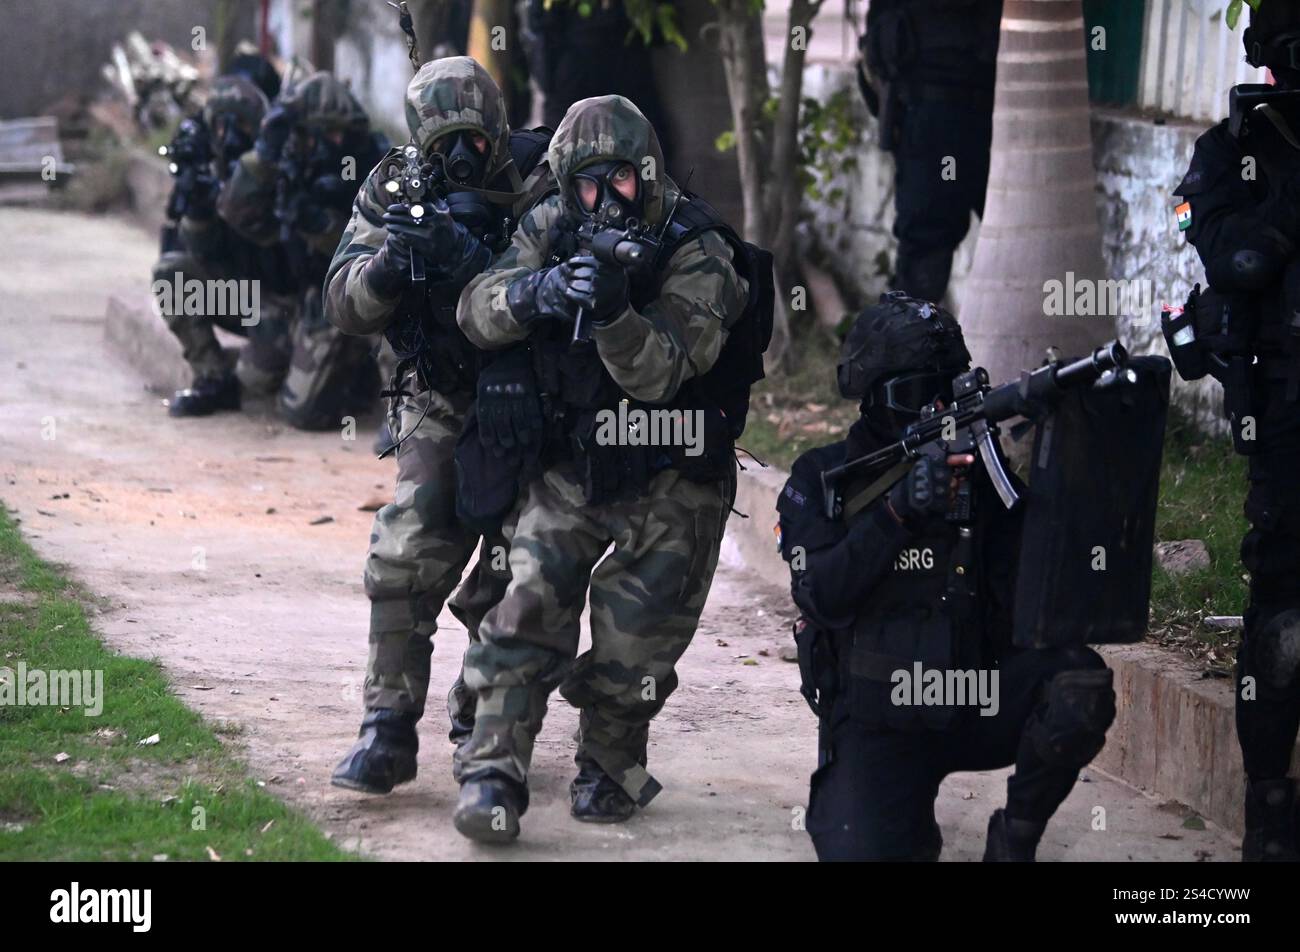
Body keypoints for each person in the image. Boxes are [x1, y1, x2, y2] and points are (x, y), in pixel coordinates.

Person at [450, 94, 766, 842]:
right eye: (585, 185)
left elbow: (659, 373)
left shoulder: (700, 249)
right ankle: (494, 770)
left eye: (618, 181)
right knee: (528, 603)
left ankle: (610, 761)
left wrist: (619, 312)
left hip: (673, 475)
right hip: (577, 462)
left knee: (635, 649)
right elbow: (474, 309)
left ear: (646, 174)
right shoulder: (551, 223)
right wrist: (540, 291)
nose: (602, 201)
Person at [777, 293, 1115, 861]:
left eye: (947, 388)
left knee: (1076, 685)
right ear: (875, 398)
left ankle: (1015, 840)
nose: (934, 408)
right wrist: (898, 513)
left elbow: (1046, 587)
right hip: (878, 719)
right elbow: (819, 593)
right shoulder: (822, 477)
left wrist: (1066, 453)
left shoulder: (980, 469)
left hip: (974, 700)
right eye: (915, 395)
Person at [324, 56, 554, 794]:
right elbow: (342, 302)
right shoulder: (394, 184)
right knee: (406, 549)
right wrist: (389, 266)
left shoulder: (542, 176)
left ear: (497, 128)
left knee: (529, 572)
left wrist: (476, 267)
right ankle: (386, 729)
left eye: (474, 142)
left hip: (537, 398)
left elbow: (574, 287)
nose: (461, 159)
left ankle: (488, 734)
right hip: (441, 393)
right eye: (442, 144)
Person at [1163, 2, 1300, 862]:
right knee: (1282, 618)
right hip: (1285, 416)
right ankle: (1271, 814)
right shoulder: (1231, 155)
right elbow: (1237, 261)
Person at [217, 71, 388, 430]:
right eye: (326, 133)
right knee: (253, 379)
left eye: (342, 133)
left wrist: (320, 225)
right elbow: (235, 210)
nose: (335, 141)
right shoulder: (288, 160)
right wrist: (264, 155)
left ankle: (366, 382)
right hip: (293, 296)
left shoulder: (371, 161)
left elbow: (377, 245)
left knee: (302, 412)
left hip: (341, 299)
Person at [152, 62, 299, 417]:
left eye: (241, 123)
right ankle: (212, 377)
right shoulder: (208, 165)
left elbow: (285, 258)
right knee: (172, 272)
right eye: (221, 123)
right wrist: (198, 212)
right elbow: (200, 257)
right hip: (241, 297)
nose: (230, 134)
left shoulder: (281, 164)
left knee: (258, 387)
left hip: (284, 304)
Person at [857, 0, 1003, 303]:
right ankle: (909, 343)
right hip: (931, 114)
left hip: (973, 109)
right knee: (925, 250)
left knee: (1015, 241)